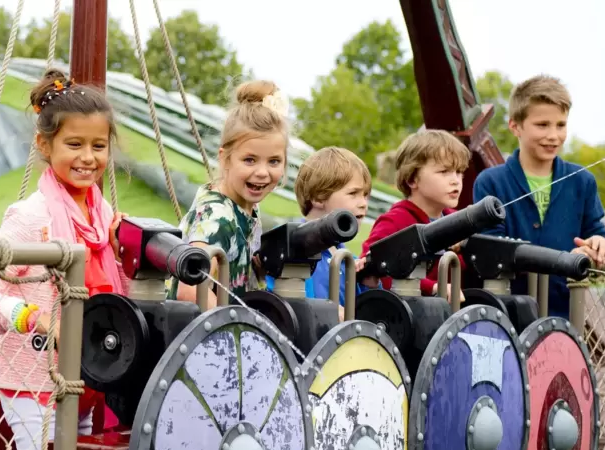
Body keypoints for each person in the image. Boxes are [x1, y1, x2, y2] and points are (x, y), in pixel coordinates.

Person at [0, 70, 128, 450]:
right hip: (36, 384)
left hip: (89, 383)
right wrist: (32, 317)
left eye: (98, 146)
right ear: (44, 146)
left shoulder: (104, 217)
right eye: (74, 144)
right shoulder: (31, 218)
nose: (88, 157)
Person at [472, 74, 605, 318]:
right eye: (542, 125)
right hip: (506, 318)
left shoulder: (583, 181)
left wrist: (599, 245)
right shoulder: (490, 182)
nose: (553, 135)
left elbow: (594, 232)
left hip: (568, 319)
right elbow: (489, 251)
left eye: (561, 125)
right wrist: (562, 261)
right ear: (515, 126)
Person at [166, 80, 288, 306]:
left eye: (274, 161)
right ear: (225, 158)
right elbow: (191, 292)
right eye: (250, 160)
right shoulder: (218, 217)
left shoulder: (244, 207)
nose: (262, 172)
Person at [360, 130, 469, 300]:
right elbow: (369, 269)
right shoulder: (395, 221)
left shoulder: (458, 222)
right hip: (404, 318)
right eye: (444, 171)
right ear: (412, 179)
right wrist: (431, 286)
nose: (455, 180)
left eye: (459, 171)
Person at [265, 146, 371, 306]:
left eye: (365, 195)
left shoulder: (350, 261)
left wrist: (369, 284)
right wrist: (331, 313)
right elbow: (292, 309)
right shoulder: (287, 246)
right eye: (353, 194)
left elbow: (365, 315)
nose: (363, 203)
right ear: (319, 197)